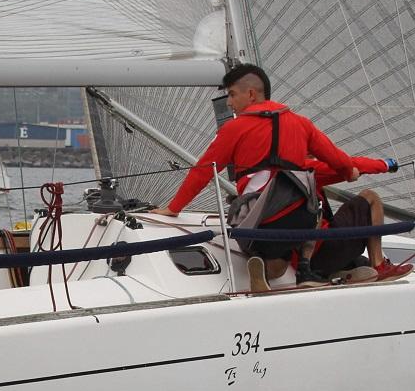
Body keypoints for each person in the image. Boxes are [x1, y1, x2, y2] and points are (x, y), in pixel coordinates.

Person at [152, 64, 358, 292]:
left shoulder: (234, 128)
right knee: (310, 207)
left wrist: (173, 208)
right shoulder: (301, 123)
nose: (229, 103)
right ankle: (303, 267)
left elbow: (203, 171)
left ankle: (259, 259)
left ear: (251, 94)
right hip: (298, 220)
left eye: (232, 95)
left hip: (258, 223)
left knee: (264, 244)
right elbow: (338, 160)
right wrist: (350, 172)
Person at [305, 156, 415, 282]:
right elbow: (347, 166)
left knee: (362, 263)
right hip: (322, 251)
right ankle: (379, 265)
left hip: (306, 262)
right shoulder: (305, 168)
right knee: (370, 196)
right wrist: (385, 164)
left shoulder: (288, 175)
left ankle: (339, 272)